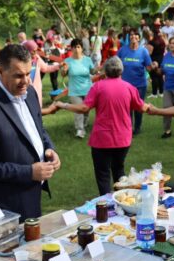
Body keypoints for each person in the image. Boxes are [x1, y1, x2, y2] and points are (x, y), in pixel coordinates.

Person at [0, 44, 61, 220]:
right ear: (1, 71)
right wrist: (29, 172)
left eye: (28, 73)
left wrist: (49, 149)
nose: (26, 81)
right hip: (5, 207)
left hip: (32, 196)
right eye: (18, 75)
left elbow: (39, 129)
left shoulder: (30, 93)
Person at [55, 57, 148, 195]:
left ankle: (105, 205)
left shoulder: (98, 87)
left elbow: (84, 108)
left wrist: (63, 105)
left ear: (105, 71)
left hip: (102, 139)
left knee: (103, 174)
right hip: (123, 138)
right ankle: (122, 201)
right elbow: (142, 107)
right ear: (121, 70)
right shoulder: (129, 88)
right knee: (119, 169)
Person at [117, 29, 152, 135]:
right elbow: (116, 63)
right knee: (126, 107)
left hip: (140, 85)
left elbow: (149, 67)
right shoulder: (123, 50)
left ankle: (137, 128)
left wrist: (153, 66)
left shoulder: (143, 51)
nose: (133, 37)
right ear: (129, 37)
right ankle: (128, 127)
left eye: (136, 35)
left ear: (139, 37)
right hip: (125, 85)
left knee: (138, 107)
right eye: (131, 35)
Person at [61, 38, 96, 138]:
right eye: (74, 47)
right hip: (74, 90)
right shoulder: (67, 61)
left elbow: (93, 72)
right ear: (71, 49)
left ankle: (84, 124)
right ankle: (80, 130)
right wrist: (64, 70)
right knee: (78, 110)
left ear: (81, 48)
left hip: (88, 89)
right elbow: (63, 74)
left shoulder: (87, 60)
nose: (76, 49)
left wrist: (99, 69)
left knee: (86, 110)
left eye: (78, 47)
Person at [21, 39, 60, 107]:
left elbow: (46, 68)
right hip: (24, 90)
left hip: (36, 90)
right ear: (27, 50)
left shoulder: (37, 58)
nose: (35, 52)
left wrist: (58, 66)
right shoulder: (20, 61)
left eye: (36, 50)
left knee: (38, 110)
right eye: (33, 51)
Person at [147, 30, 166, 99]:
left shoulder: (152, 42)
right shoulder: (162, 41)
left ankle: (154, 93)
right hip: (161, 58)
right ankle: (161, 92)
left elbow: (149, 53)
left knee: (154, 76)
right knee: (160, 76)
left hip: (154, 59)